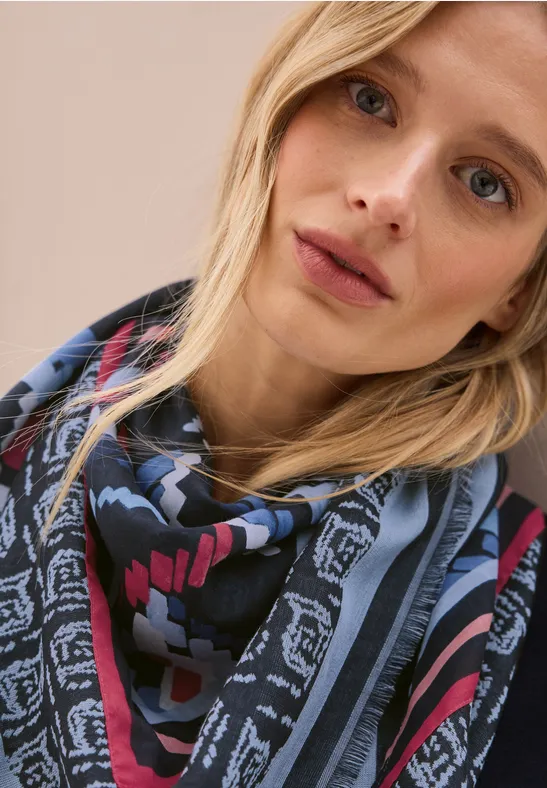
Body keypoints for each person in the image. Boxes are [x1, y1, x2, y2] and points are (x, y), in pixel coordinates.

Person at [1, 1, 546, 786]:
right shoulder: (19, 466)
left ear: (518, 291)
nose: (387, 197)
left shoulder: (520, 639)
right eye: (369, 99)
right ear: (286, 101)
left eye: (485, 183)